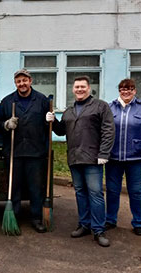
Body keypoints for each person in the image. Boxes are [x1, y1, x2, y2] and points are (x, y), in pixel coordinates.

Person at [48, 75, 114, 247]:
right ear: (73, 89)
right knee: (80, 192)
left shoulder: (100, 106)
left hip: (93, 158)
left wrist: (104, 154)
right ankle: (84, 224)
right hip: (75, 158)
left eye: (82, 87)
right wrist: (53, 121)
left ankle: (98, 229)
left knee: (96, 194)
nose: (79, 89)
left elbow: (109, 131)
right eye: (76, 87)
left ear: (89, 88)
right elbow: (62, 131)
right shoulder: (69, 111)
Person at [0, 69, 51, 233]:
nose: (22, 84)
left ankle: (36, 218)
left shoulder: (41, 101)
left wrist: (50, 121)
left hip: (35, 151)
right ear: (15, 83)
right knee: (14, 187)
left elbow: (50, 126)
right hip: (14, 151)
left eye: (24, 80)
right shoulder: (7, 102)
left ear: (30, 81)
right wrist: (6, 124)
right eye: (18, 81)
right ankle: (14, 216)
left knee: (35, 187)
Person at [105, 79, 141, 236]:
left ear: (135, 91)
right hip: (113, 158)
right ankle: (110, 219)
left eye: (129, 89)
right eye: (122, 89)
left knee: (136, 191)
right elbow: (102, 128)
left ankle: (138, 222)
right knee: (112, 190)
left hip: (136, 158)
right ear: (119, 91)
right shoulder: (110, 107)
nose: (125, 92)